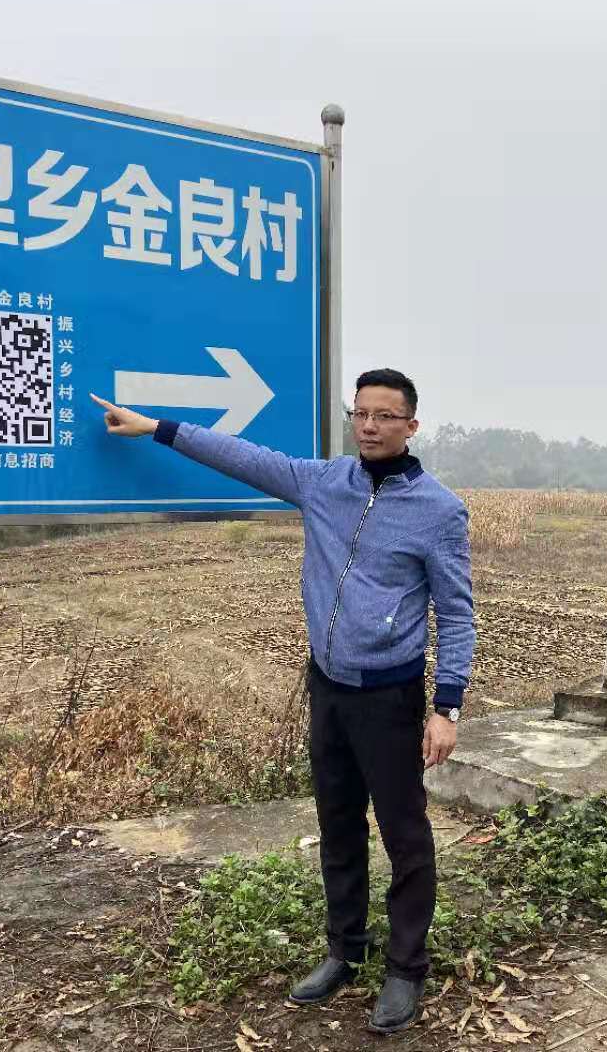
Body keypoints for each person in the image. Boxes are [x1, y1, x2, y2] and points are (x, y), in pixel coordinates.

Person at [88, 368, 475, 1035]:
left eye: (385, 416)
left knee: (405, 834)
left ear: (411, 426)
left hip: (389, 696)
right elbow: (242, 456)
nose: (370, 426)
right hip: (328, 688)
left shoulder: (439, 511)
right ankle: (345, 950)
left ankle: (406, 966)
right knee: (338, 822)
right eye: (361, 413)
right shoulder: (322, 483)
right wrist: (155, 428)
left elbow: (458, 613)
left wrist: (447, 707)